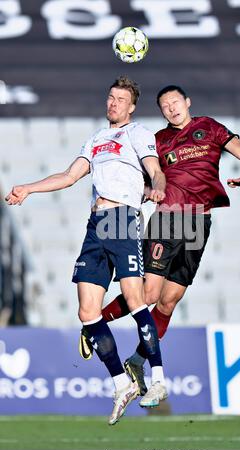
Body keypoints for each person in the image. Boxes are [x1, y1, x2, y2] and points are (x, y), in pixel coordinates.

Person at [5, 76, 169, 424]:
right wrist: (29, 189)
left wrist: (156, 187)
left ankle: (157, 379)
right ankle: (122, 383)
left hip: (123, 218)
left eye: (120, 99)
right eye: (110, 97)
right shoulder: (95, 140)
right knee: (87, 311)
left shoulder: (137, 133)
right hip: (96, 225)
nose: (113, 103)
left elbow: (156, 170)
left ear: (131, 106)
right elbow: (68, 176)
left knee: (135, 298)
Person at [84, 84, 240, 397]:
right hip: (168, 219)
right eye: (165, 106)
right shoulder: (159, 140)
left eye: (175, 102)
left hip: (199, 221)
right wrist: (148, 191)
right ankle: (94, 323)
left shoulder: (210, 128)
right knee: (148, 293)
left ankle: (136, 360)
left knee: (169, 300)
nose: (172, 108)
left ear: (187, 102)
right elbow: (146, 174)